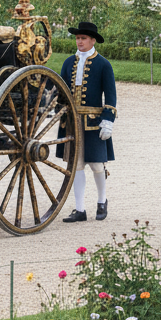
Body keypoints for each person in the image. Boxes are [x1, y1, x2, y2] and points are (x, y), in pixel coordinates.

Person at [60, 21, 116, 223]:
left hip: (93, 122)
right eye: (77, 38)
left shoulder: (103, 64)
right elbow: (61, 90)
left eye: (83, 38)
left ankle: (102, 201)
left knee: (97, 165)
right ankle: (80, 209)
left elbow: (111, 95)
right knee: (76, 166)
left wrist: (108, 121)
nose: (80, 42)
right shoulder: (68, 63)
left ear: (93, 40)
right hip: (72, 121)